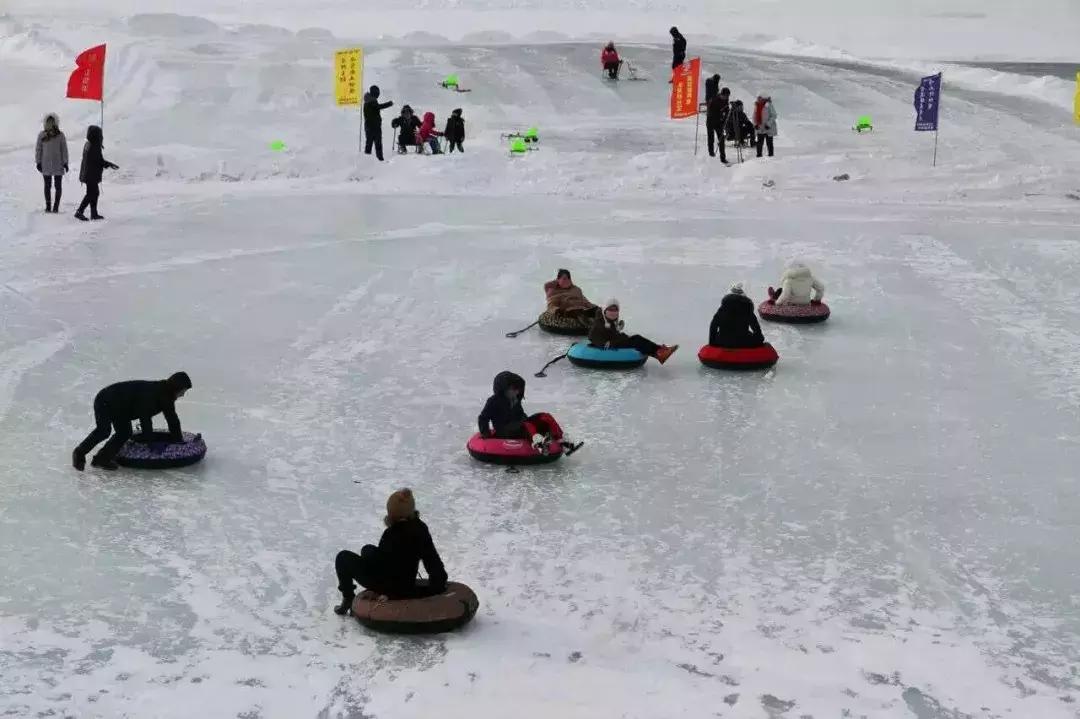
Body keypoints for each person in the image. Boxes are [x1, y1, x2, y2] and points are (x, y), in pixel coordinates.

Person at [333, 488, 448, 615]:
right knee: (367, 549)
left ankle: (348, 598)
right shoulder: (421, 528)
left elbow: (382, 564)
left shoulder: (391, 534)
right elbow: (432, 560)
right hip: (406, 580)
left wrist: (390, 594)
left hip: (388, 585)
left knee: (343, 557)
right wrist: (438, 585)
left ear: (392, 514)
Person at [72, 372, 192, 471]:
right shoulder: (153, 393)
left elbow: (172, 419)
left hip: (122, 408)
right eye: (183, 391)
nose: (182, 395)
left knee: (124, 432)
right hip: (107, 400)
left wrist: (178, 441)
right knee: (104, 430)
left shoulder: (167, 397)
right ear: (176, 387)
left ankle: (102, 459)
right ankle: (79, 452)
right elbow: (145, 419)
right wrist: (150, 442)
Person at [477, 371, 578, 452]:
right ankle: (538, 443)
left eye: (518, 389)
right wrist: (486, 434)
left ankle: (561, 441)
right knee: (527, 424)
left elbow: (520, 415)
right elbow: (483, 418)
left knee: (545, 416)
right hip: (504, 430)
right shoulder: (494, 401)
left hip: (517, 426)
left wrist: (532, 421)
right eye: (514, 389)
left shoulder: (515, 399)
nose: (517, 392)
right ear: (504, 389)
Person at [589, 299, 678, 364]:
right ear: (605, 311)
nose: (613, 312)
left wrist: (618, 332)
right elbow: (592, 336)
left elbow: (611, 333)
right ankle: (659, 353)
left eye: (615, 310)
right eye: (610, 310)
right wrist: (606, 343)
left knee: (635, 338)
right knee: (636, 339)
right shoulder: (599, 323)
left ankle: (659, 351)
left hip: (614, 342)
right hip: (611, 345)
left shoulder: (608, 321)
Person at [75, 125, 118, 222]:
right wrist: (109, 164)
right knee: (91, 194)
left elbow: (97, 160)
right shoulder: (94, 146)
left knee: (94, 193)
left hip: (88, 174)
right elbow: (98, 161)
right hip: (91, 175)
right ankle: (80, 211)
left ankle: (93, 213)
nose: (102, 137)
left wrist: (108, 164)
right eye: (100, 135)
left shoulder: (89, 144)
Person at [709, 283, 765, 348]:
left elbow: (713, 325)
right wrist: (760, 339)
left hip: (723, 341)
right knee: (749, 335)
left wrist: (712, 342)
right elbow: (755, 327)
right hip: (743, 342)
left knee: (721, 334)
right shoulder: (747, 309)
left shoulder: (722, 309)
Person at [35, 113, 68, 213]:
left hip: (56, 163)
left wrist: (65, 162)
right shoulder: (42, 135)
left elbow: (64, 150)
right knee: (48, 186)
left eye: (52, 122)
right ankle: (49, 206)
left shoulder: (60, 135)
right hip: (47, 164)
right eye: (49, 122)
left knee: (56, 186)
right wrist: (38, 162)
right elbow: (39, 149)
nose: (50, 124)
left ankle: (55, 207)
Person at [362, 85, 394, 161]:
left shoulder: (370, 100)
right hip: (372, 127)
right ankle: (378, 160)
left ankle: (368, 160)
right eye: (377, 93)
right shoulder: (371, 101)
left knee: (371, 144)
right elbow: (378, 107)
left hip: (372, 126)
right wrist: (389, 104)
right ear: (374, 92)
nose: (378, 94)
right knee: (375, 144)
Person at [706, 88, 731, 162]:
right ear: (721, 94)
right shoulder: (714, 100)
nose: (726, 98)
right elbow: (711, 113)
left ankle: (723, 158)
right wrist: (721, 116)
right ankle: (711, 155)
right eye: (725, 96)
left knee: (721, 139)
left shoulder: (726, 99)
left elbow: (726, 109)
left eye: (727, 96)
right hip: (711, 121)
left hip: (719, 122)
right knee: (711, 139)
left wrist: (726, 115)